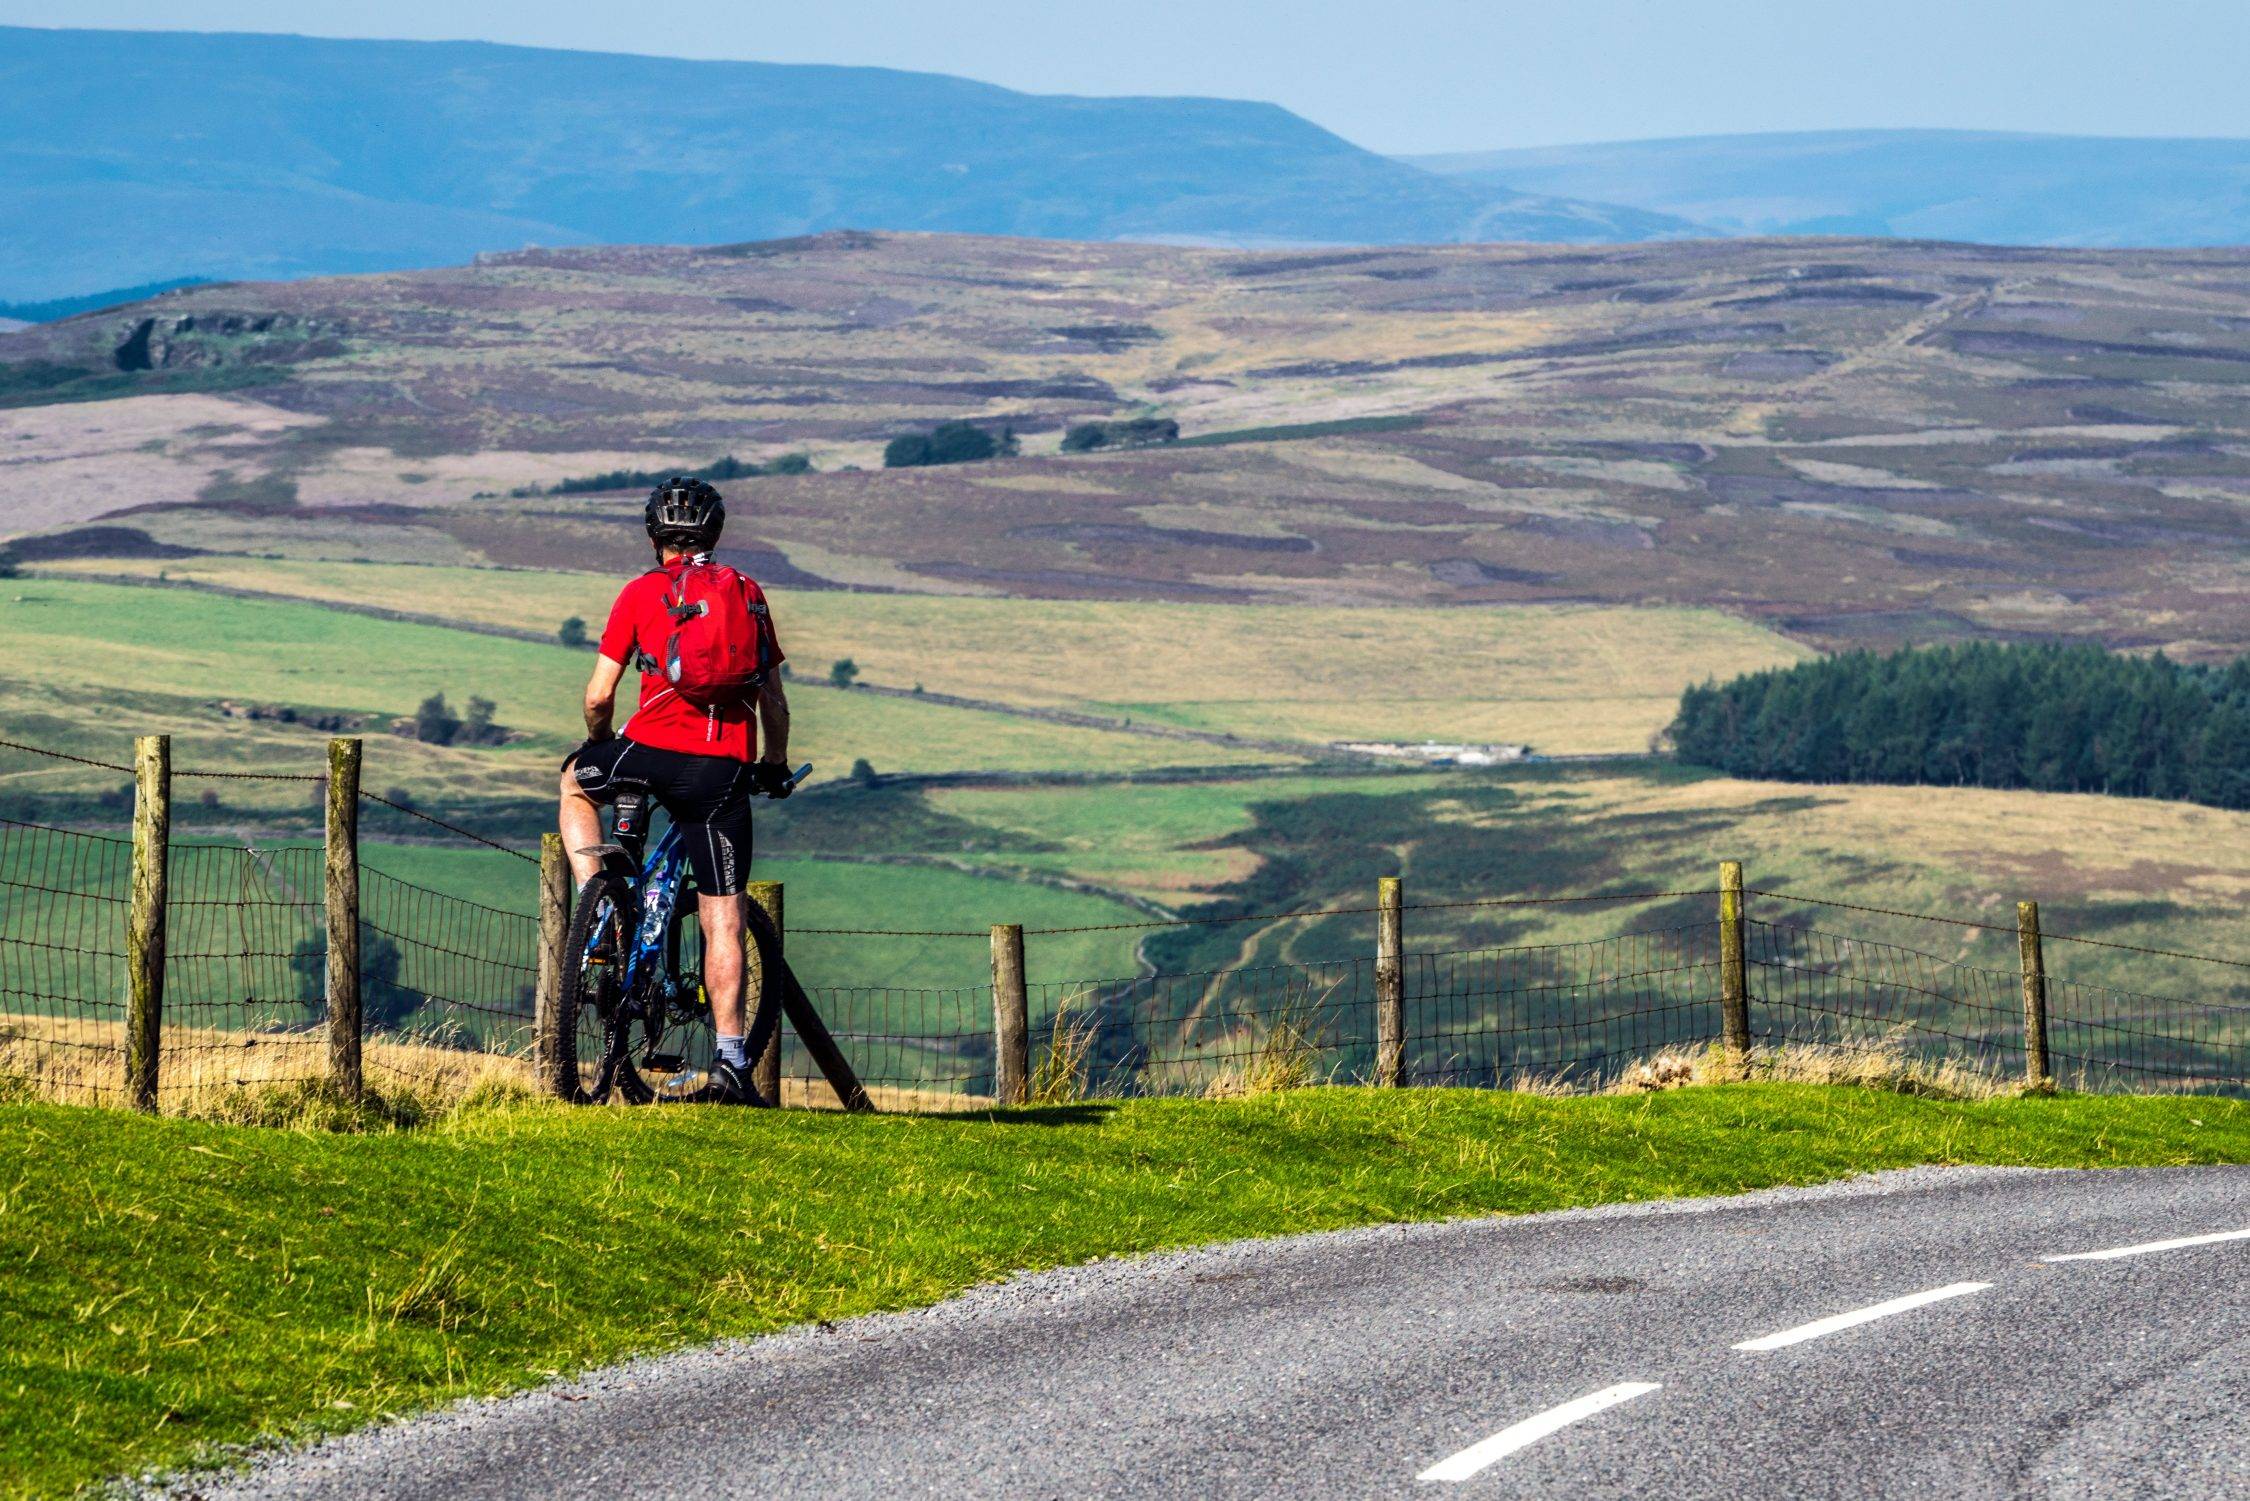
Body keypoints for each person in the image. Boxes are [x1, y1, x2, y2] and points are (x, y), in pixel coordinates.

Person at [559, 477, 794, 1104]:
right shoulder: (748, 594)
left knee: (575, 786)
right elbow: (773, 701)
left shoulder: (641, 593)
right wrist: (773, 764)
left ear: (653, 536)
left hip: (644, 754)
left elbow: (598, 695)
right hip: (720, 771)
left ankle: (599, 907)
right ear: (713, 535)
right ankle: (729, 1061)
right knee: (723, 915)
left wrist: (598, 742)